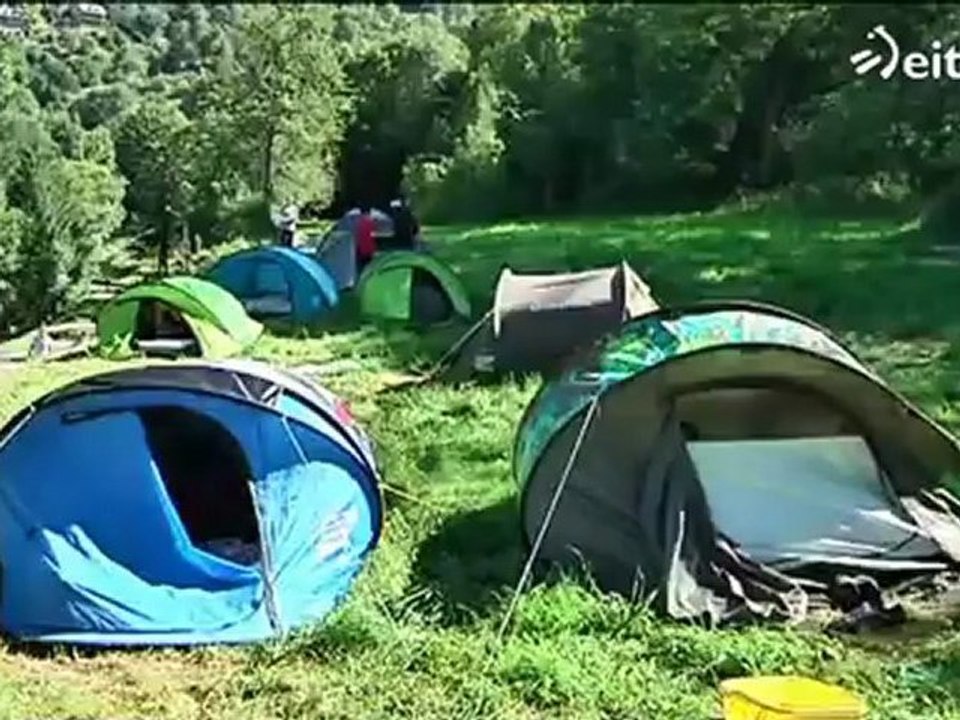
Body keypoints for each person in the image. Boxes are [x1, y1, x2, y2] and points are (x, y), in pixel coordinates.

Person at [354, 203, 378, 271]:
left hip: (361, 249)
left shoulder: (358, 222)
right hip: (370, 249)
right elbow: (373, 235)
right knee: (369, 267)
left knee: (361, 268)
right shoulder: (371, 222)